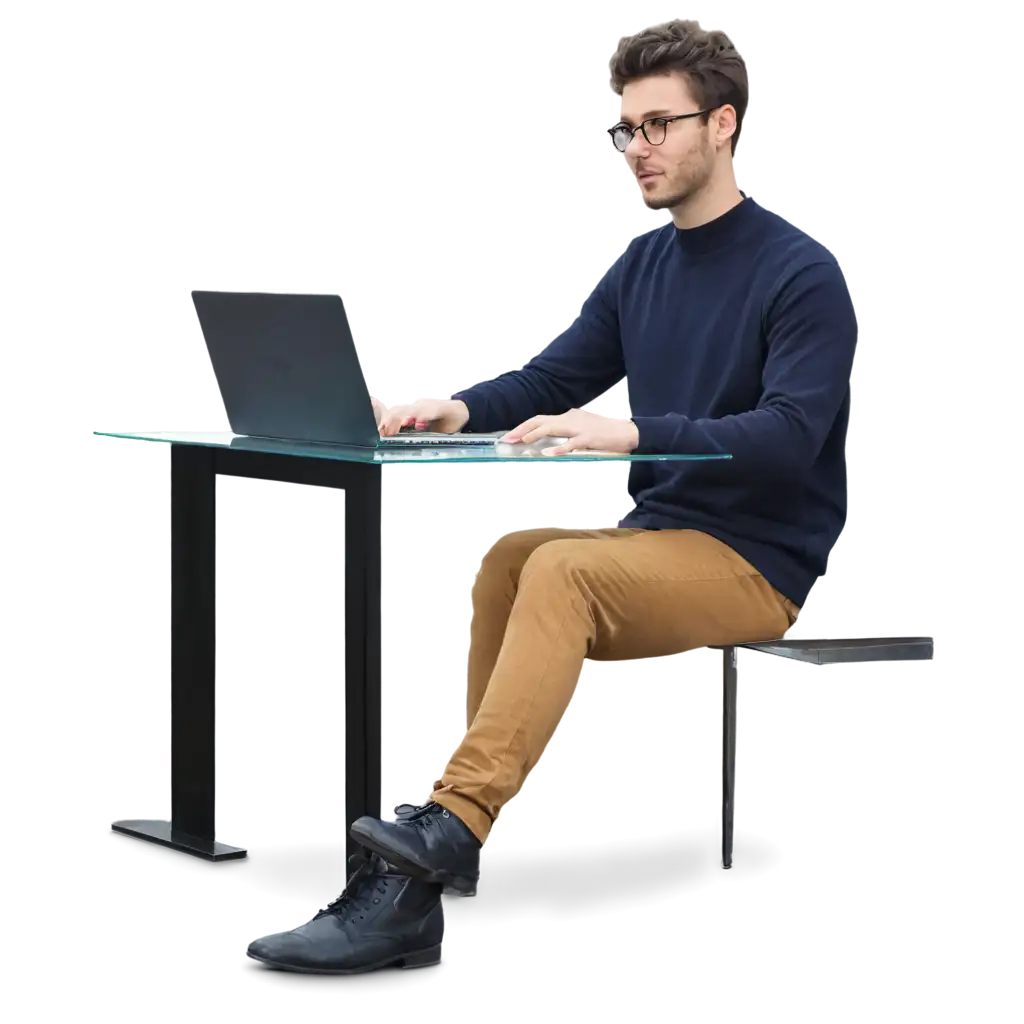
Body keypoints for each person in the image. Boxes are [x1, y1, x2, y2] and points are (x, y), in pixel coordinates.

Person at [243, 15, 858, 975]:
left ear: (723, 124)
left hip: (755, 564)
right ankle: (461, 838)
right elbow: (548, 379)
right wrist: (450, 407)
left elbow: (789, 440)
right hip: (660, 542)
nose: (637, 152)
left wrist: (641, 429)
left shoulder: (800, 274)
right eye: (625, 130)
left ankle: (442, 836)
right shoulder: (643, 266)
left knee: (566, 568)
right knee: (510, 557)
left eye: (660, 126)